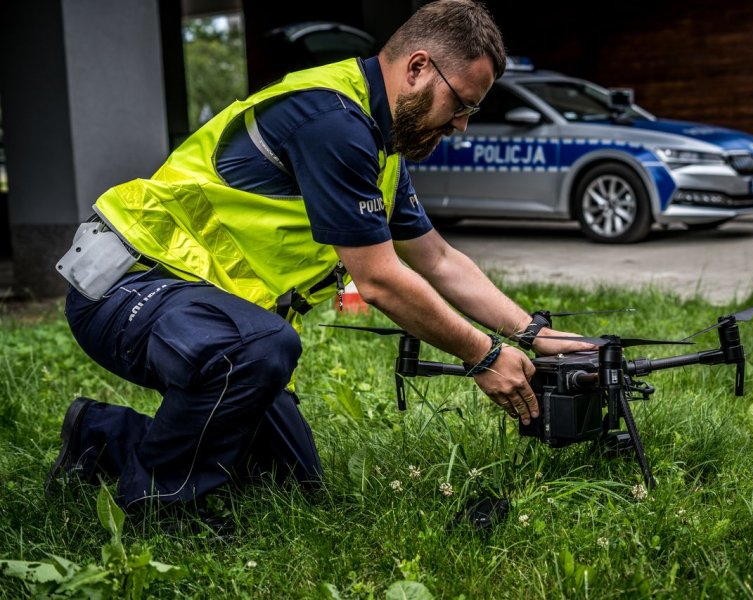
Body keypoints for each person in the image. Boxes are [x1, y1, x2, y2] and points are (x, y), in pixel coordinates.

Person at [47, 0, 590, 516]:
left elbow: (438, 258)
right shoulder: (331, 120)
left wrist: (532, 333)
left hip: (193, 309)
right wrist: (484, 355)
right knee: (262, 348)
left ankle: (99, 436)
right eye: (462, 104)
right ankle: (158, 507)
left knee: (289, 478)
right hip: (127, 285)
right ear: (420, 67)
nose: (461, 125)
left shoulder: (381, 142)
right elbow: (379, 280)